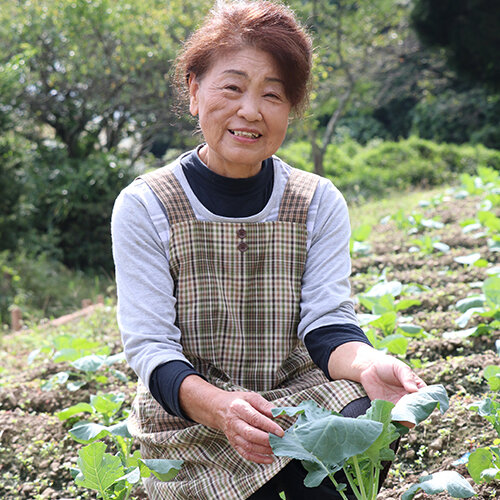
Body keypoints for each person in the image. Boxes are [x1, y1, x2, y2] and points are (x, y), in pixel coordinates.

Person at [111, 1, 426, 498]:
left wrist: (369, 365)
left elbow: (327, 325)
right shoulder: (145, 205)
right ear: (194, 91)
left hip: (295, 401)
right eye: (232, 87)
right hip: (192, 420)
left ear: (291, 109)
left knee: (364, 418)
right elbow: (151, 350)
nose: (250, 111)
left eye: (273, 94)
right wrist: (222, 408)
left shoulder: (317, 200)